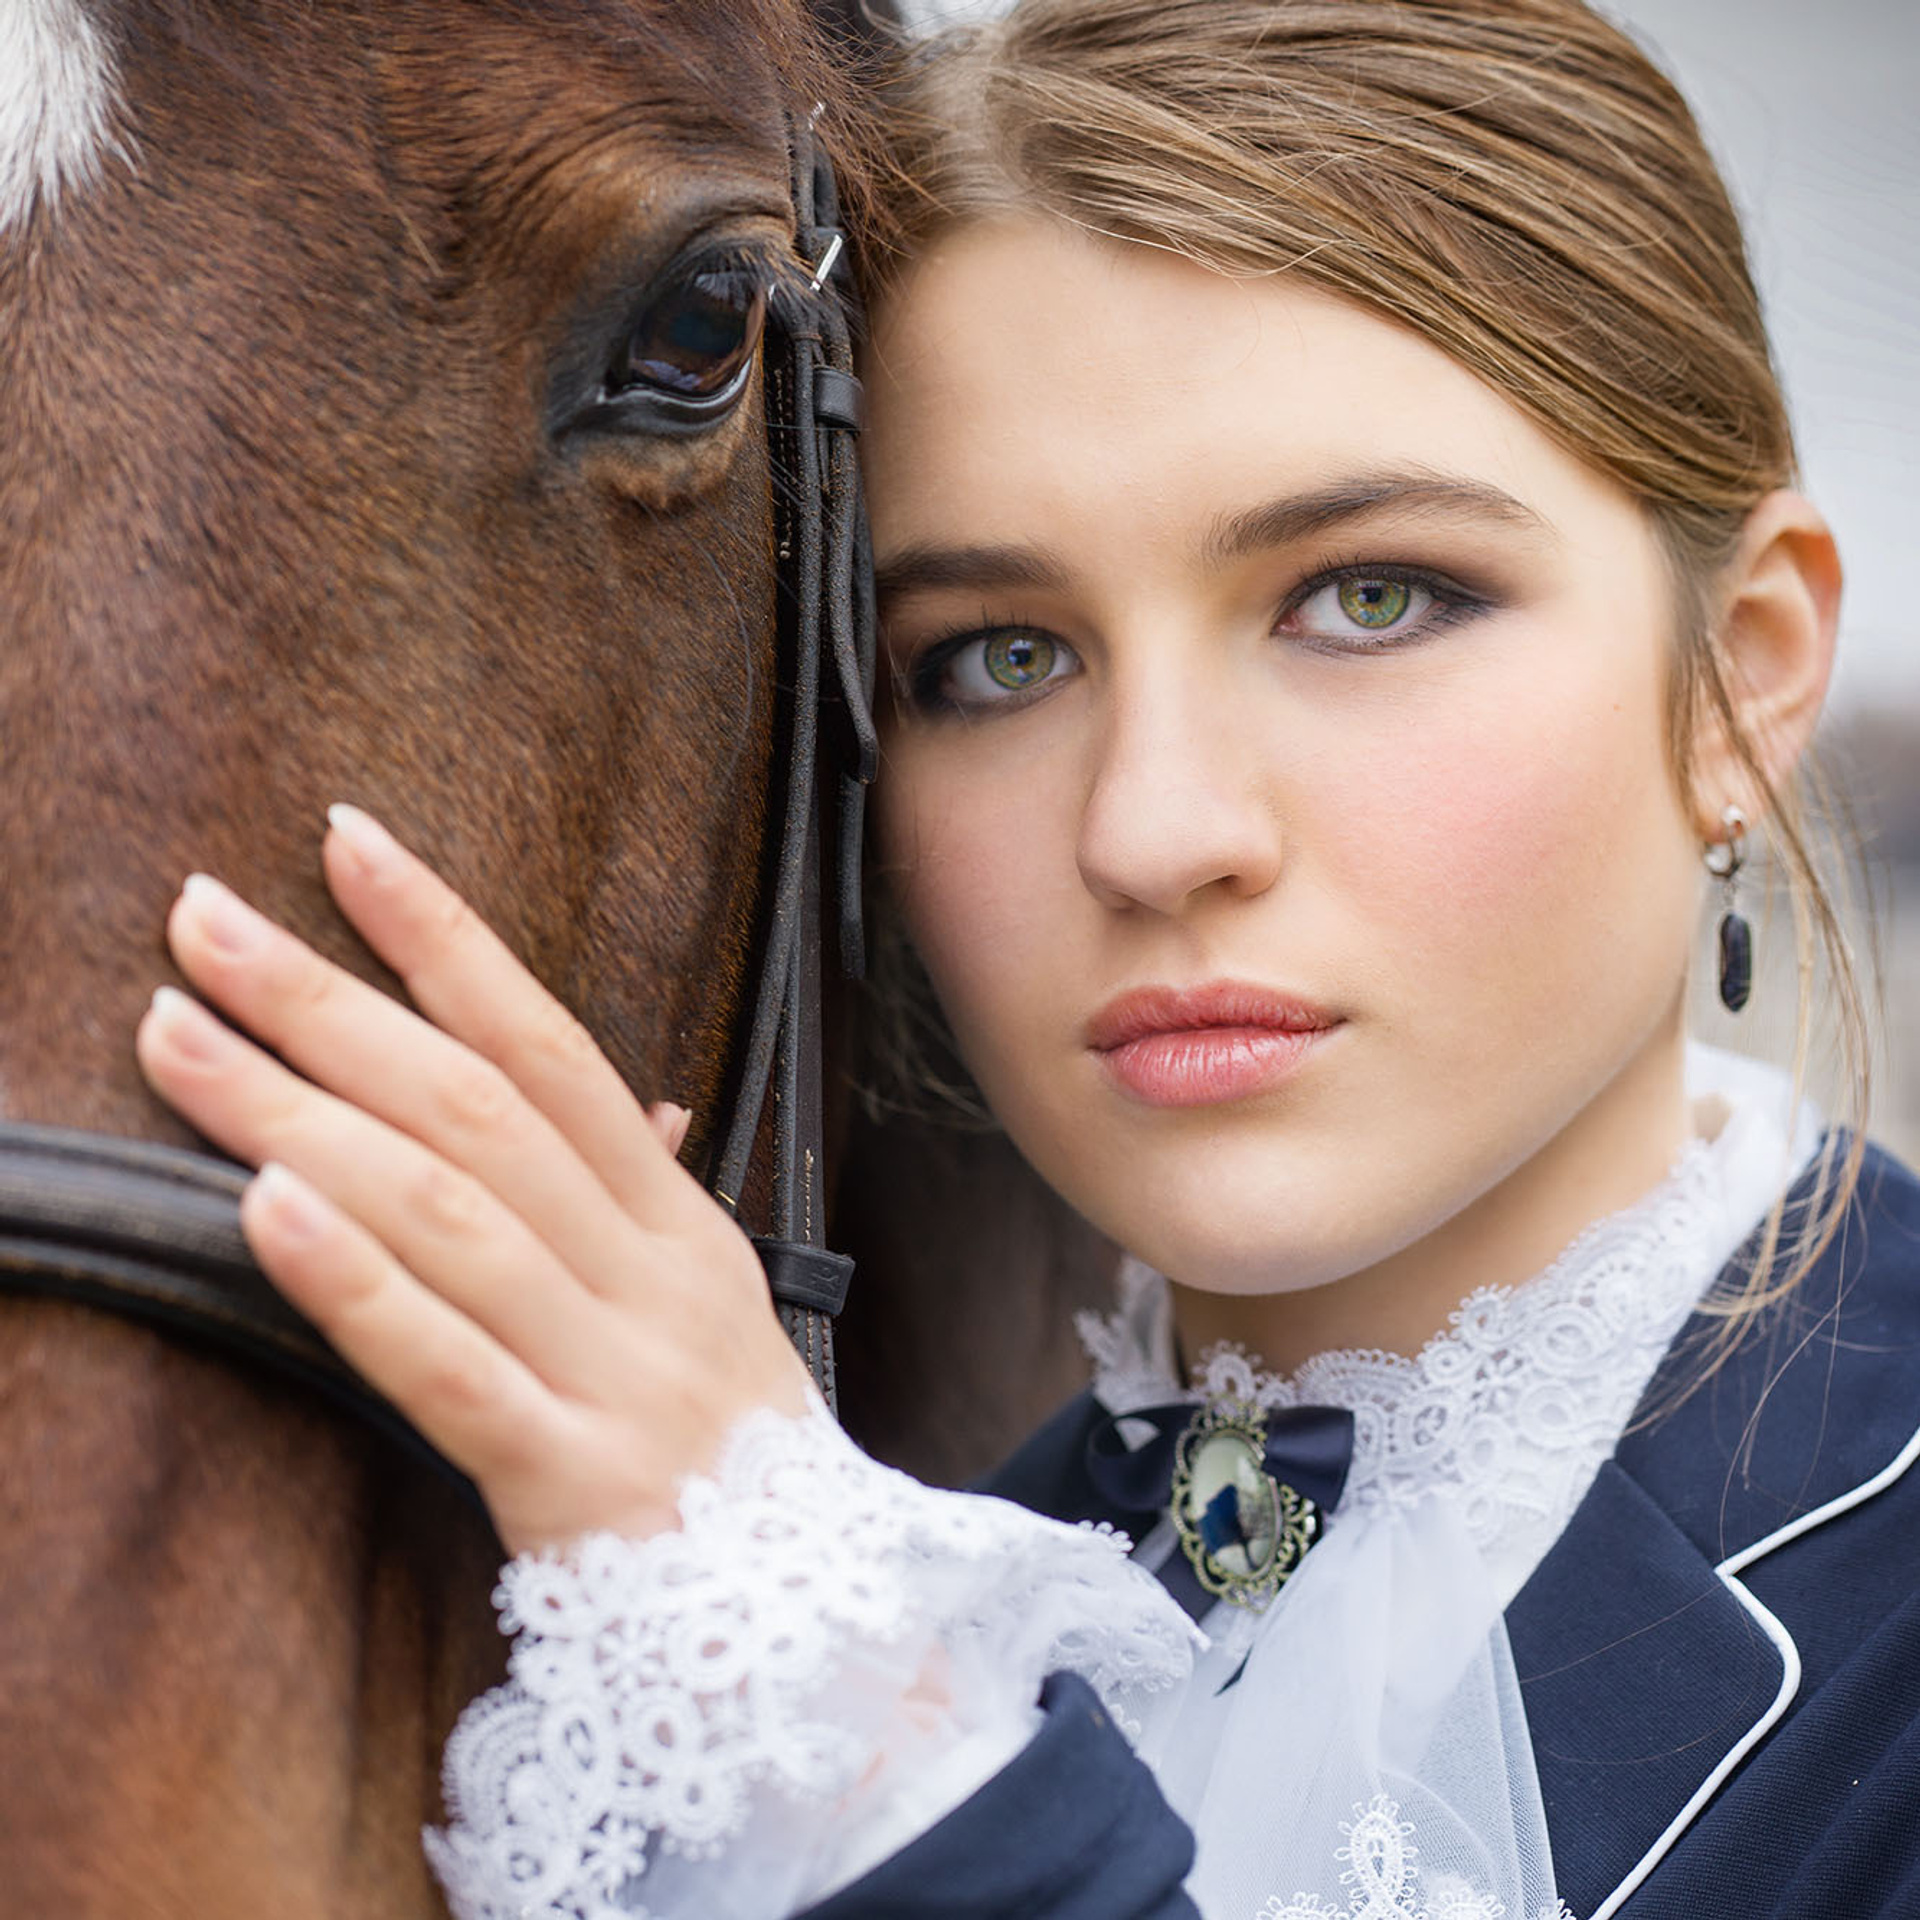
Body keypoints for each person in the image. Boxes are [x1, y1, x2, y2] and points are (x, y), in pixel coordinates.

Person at [132, 0, 1919, 1915]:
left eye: (1368, 598)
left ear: (1743, 674)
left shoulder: (814, 1664)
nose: (1152, 830)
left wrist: (874, 1753)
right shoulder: (803, 1613)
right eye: (997, 657)